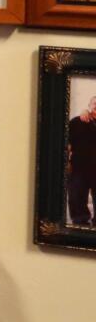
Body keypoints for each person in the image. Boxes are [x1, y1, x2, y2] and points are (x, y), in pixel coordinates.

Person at [69, 92, 96, 228]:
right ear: (90, 106)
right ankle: (80, 224)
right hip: (79, 167)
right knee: (77, 196)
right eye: (95, 104)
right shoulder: (76, 122)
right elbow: (66, 144)